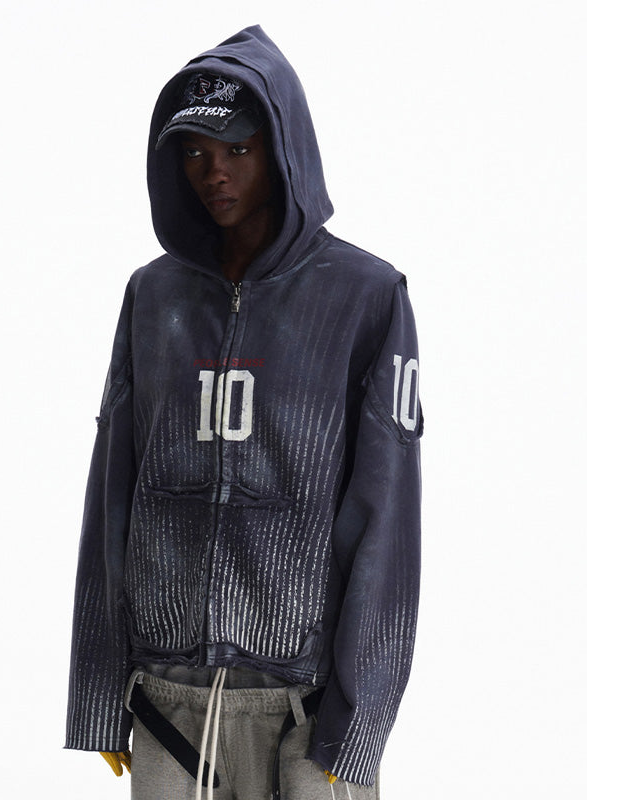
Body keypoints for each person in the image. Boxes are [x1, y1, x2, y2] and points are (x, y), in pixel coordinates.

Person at [65, 25, 423, 800]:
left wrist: (360, 722)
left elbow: (387, 518)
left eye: (238, 148)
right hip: (167, 706)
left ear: (283, 149)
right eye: (194, 152)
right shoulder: (153, 296)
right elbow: (111, 493)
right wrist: (97, 696)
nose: (214, 172)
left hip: (306, 712)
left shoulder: (366, 298)